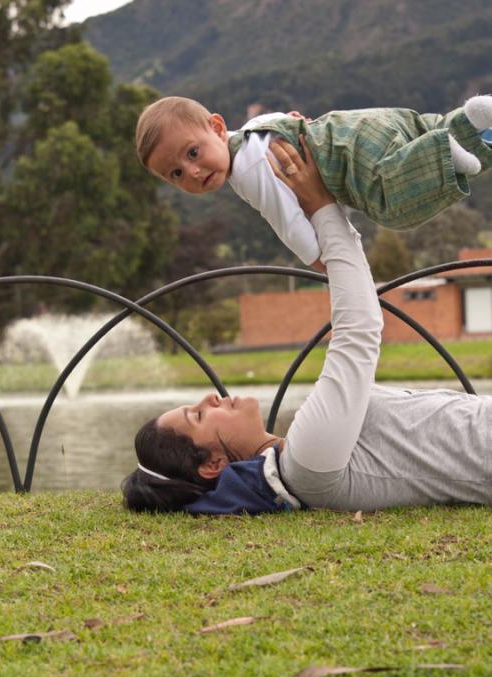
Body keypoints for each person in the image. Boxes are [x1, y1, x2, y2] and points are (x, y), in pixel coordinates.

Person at [122, 139, 492, 515]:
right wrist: (322, 208)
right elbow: (358, 329)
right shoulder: (307, 463)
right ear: (212, 465)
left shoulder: (302, 455)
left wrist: (324, 218)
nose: (209, 398)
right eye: (198, 416)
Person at [135, 94, 492, 264]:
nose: (193, 172)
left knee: (391, 203)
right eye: (176, 173)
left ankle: (440, 149)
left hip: (353, 157)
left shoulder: (247, 169)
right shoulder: (252, 131)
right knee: (419, 131)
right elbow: (280, 118)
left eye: (193, 153)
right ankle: (469, 121)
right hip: (360, 123)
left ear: (216, 127)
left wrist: (321, 264)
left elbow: (288, 221)